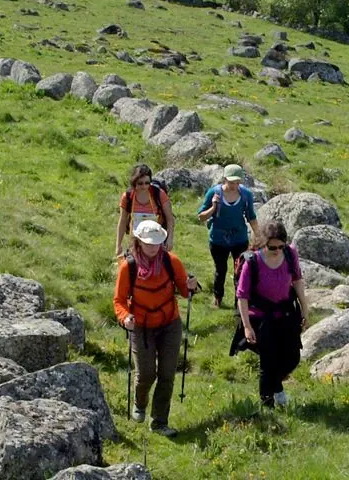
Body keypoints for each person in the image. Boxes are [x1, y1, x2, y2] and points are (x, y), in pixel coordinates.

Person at [113, 220, 200, 436]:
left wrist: (191, 287)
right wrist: (125, 318)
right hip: (141, 326)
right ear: (138, 242)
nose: (153, 247)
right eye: (148, 243)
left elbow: (184, 289)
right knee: (146, 374)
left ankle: (159, 422)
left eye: (157, 243)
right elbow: (119, 300)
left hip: (170, 323)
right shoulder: (128, 266)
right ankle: (140, 402)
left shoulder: (172, 262)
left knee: (167, 373)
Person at [232, 222, 308, 408]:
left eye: (280, 246)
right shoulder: (252, 262)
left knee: (292, 358)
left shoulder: (290, 254)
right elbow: (242, 296)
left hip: (285, 314)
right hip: (260, 318)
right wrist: (247, 326)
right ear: (262, 244)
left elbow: (297, 280)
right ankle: (267, 406)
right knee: (268, 362)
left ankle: (276, 387)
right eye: (272, 247)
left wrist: (305, 308)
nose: (277, 250)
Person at [198, 164, 257, 309]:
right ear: (224, 179)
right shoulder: (214, 193)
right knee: (221, 270)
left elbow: (251, 217)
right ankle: (218, 298)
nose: (234, 185)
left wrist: (259, 236)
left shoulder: (246, 195)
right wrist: (213, 207)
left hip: (240, 239)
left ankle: (239, 303)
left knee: (241, 271)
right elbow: (201, 216)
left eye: (237, 182)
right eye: (231, 182)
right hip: (218, 239)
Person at [115, 164, 173, 257]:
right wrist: (118, 245)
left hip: (156, 240)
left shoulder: (159, 194)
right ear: (134, 182)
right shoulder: (128, 197)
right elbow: (122, 221)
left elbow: (170, 218)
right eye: (140, 183)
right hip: (135, 240)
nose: (144, 186)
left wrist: (170, 239)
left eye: (147, 183)